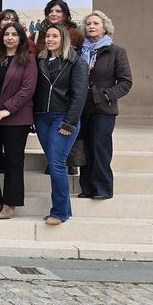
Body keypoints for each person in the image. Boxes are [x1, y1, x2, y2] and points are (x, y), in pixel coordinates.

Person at [0, 22, 36, 220]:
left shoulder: (28, 60)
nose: (9, 37)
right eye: (6, 34)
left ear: (21, 38)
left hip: (17, 119)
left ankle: (10, 203)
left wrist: (6, 110)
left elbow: (27, 90)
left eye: (14, 34)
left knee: (13, 161)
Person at [34, 24, 89, 225]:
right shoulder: (40, 60)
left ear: (63, 38)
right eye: (48, 36)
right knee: (55, 161)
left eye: (54, 36)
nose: (50, 39)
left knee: (57, 163)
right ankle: (66, 209)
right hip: (42, 118)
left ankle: (59, 212)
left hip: (62, 117)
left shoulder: (76, 62)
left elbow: (80, 95)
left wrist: (69, 122)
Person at [79, 11, 132, 200]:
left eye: (96, 23)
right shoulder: (80, 51)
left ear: (105, 28)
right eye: (88, 24)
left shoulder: (116, 51)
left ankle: (102, 188)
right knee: (85, 148)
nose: (91, 26)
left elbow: (125, 82)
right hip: (82, 107)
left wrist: (107, 95)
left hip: (104, 108)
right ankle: (86, 188)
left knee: (100, 147)